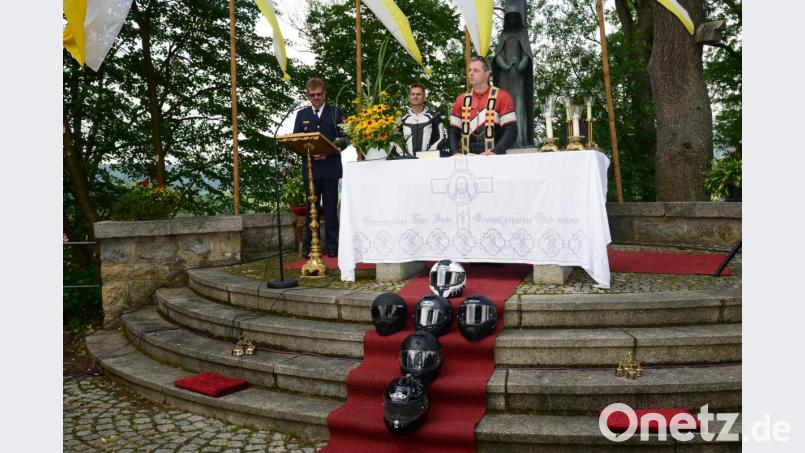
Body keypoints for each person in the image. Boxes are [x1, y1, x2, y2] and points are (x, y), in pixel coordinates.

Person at [293, 78, 343, 258]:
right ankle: (310, 247)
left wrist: (329, 152)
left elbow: (345, 139)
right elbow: (296, 139)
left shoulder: (336, 113)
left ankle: (333, 247)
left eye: (319, 94)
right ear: (308, 95)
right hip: (310, 168)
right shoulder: (301, 115)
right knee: (310, 208)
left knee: (330, 209)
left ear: (324, 94)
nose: (316, 97)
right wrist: (306, 151)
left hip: (330, 168)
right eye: (312, 95)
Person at [448, 56, 517, 156]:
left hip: (494, 158)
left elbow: (510, 130)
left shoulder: (502, 96)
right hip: (467, 159)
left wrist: (495, 152)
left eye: (476, 70)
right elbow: (453, 131)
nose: (471, 73)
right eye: (469, 70)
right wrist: (455, 152)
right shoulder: (461, 99)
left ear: (487, 74)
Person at [492, 0, 534, 147]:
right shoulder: (503, 35)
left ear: (518, 18)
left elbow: (527, 55)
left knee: (519, 106)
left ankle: (520, 139)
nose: (512, 20)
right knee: (504, 106)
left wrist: (519, 66)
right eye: (509, 18)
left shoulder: (522, 34)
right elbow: (497, 55)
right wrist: (506, 66)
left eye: (514, 17)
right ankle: (505, 140)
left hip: (518, 77)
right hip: (505, 76)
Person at [399, 83, 445, 156]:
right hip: (406, 160)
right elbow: (395, 140)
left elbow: (441, 138)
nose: (415, 96)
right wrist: (403, 155)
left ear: (424, 97)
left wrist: (428, 155)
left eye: (418, 94)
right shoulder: (401, 118)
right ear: (409, 97)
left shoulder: (434, 116)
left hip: (428, 161)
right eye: (413, 94)